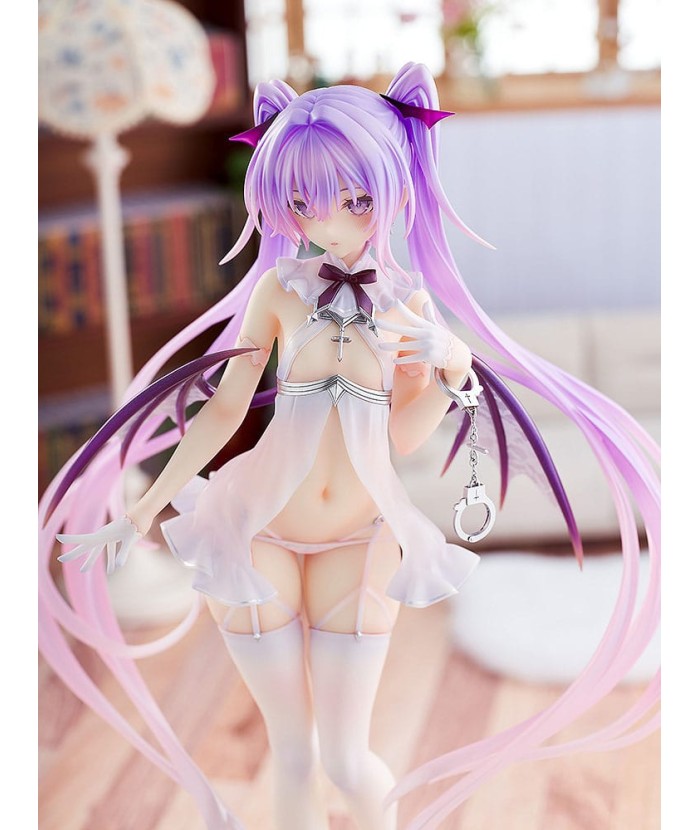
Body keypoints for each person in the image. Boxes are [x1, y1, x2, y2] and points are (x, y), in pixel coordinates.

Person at [39, 62, 660, 830]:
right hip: (255, 529)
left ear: (393, 189)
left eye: (354, 200)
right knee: (291, 755)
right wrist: (142, 510)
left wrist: (451, 368)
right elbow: (224, 410)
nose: (328, 224)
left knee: (345, 758)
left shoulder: (409, 307)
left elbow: (400, 435)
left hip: (359, 540)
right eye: (304, 203)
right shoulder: (278, 291)